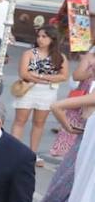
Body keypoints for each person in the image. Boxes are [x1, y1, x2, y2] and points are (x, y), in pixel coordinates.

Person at [32, 55, 95, 202]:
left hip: (85, 143)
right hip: (85, 146)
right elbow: (57, 105)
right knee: (67, 190)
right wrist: (70, 127)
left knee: (70, 191)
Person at [11, 24, 68, 161]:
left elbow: (63, 76)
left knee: (39, 123)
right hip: (28, 89)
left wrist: (40, 77)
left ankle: (32, 154)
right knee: (20, 120)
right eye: (39, 36)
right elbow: (24, 73)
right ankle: (12, 152)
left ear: (52, 39)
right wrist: (48, 78)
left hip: (47, 92)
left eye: (44, 36)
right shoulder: (29, 53)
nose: (40, 39)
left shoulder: (60, 56)